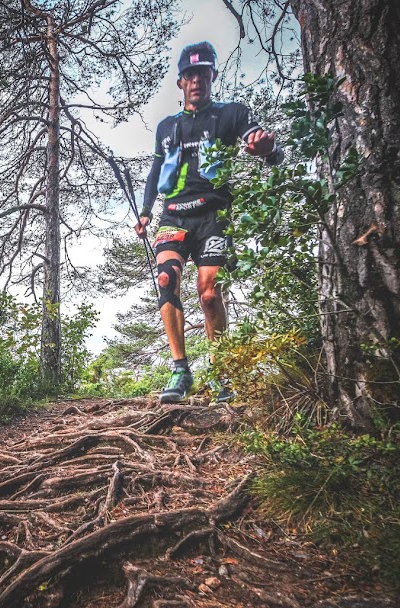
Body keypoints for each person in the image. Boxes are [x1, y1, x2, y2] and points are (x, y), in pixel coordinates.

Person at [134, 41, 284, 403]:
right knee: (166, 279)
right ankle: (180, 370)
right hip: (173, 216)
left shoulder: (230, 114)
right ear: (180, 82)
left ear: (213, 76)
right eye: (190, 74)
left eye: (203, 73)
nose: (196, 80)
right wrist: (145, 210)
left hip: (214, 215)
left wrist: (267, 150)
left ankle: (222, 373)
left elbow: (260, 141)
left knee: (210, 292)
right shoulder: (167, 127)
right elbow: (156, 171)